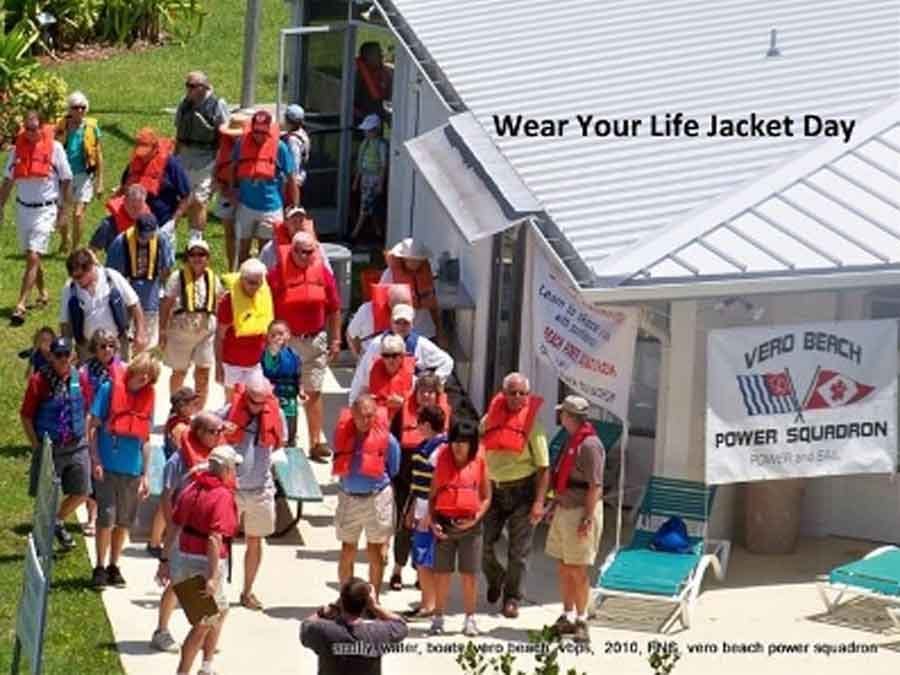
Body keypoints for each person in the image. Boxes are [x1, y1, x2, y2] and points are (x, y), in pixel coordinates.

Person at [160, 444, 241, 675]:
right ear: (225, 470)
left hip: (182, 560)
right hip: (203, 566)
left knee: (221, 611)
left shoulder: (192, 487)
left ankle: (206, 666)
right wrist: (212, 577)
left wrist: (165, 561)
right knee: (202, 624)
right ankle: (183, 672)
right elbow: (214, 539)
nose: (235, 471)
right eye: (234, 467)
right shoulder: (222, 496)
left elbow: (174, 525)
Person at [150, 412, 225, 655]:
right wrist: (170, 530)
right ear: (199, 432)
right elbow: (166, 495)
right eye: (214, 431)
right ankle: (161, 631)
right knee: (175, 583)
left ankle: (203, 638)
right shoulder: (177, 460)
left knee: (206, 588)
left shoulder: (216, 458)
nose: (218, 436)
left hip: (205, 531)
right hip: (182, 529)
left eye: (220, 431)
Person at [267, 230, 342, 463]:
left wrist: (335, 339)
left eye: (311, 251)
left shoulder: (323, 273)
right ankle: (286, 441)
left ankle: (315, 442)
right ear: (292, 250)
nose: (307, 256)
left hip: (315, 339)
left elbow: (334, 308)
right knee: (285, 394)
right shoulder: (277, 275)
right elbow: (266, 307)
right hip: (287, 343)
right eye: (302, 251)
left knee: (314, 391)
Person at [87, 352, 160, 589]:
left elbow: (146, 440)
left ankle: (113, 565)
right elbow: (92, 427)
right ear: (134, 370)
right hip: (107, 467)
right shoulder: (109, 389)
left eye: (150, 378)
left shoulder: (149, 396)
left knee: (124, 522)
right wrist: (95, 459)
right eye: (143, 375)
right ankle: (99, 566)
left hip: (132, 470)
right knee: (105, 519)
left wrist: (145, 475)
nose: (145, 381)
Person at [480, 372, 549, 619]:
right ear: (503, 393)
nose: (517, 397)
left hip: (523, 490)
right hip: (492, 491)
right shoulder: (489, 419)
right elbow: (477, 454)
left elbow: (543, 468)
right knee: (484, 545)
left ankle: (512, 597)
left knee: (518, 551)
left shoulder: (533, 426)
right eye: (512, 392)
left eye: (522, 393)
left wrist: (539, 503)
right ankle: (495, 577)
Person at [218, 374, 287, 610]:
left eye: (261, 402)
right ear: (246, 395)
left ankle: (247, 592)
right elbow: (207, 426)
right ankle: (217, 590)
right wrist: (221, 430)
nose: (257, 407)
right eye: (253, 401)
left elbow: (282, 440)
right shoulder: (230, 410)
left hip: (261, 489)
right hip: (232, 489)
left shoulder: (274, 413)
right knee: (220, 540)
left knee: (255, 541)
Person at [0, 110, 73, 325]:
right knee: (32, 256)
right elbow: (8, 181)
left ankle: (21, 304)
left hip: (45, 210)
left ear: (42, 128)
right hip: (23, 210)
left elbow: (67, 179)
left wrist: (64, 209)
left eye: (34, 129)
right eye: (27, 129)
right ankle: (43, 293)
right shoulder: (17, 151)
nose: (30, 133)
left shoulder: (56, 149)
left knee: (32, 255)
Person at [19, 337, 92, 551]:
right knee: (47, 496)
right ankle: (41, 543)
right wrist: (36, 445)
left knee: (82, 491)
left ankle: (57, 521)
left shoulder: (80, 377)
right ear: (50, 356)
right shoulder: (39, 380)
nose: (62, 359)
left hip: (77, 443)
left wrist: (85, 434)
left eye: (66, 354)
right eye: (58, 355)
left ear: (73, 355)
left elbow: (85, 406)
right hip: (52, 446)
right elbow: (26, 416)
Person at [546, 395, 604, 644]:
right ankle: (567, 614)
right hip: (564, 508)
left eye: (563, 413)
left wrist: (588, 518)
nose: (560, 416)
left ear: (570, 416)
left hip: (580, 510)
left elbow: (595, 486)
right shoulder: (572, 440)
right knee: (563, 566)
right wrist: (553, 504)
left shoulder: (590, 445)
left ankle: (581, 619)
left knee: (577, 568)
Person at [425, 419, 491, 636]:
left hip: (471, 528)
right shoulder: (441, 460)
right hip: (445, 525)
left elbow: (486, 497)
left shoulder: (479, 462)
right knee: (441, 574)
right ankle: (438, 618)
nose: (458, 446)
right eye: (455, 441)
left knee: (469, 575)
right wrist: (433, 522)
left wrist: (476, 519)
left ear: (472, 444)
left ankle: (470, 619)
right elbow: (433, 496)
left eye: (463, 441)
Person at [333, 395, 400, 598]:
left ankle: (373, 599)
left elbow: (394, 468)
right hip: (349, 497)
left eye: (370, 416)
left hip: (376, 497)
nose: (365, 420)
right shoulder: (342, 432)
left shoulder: (387, 439)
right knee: (347, 550)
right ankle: (346, 599)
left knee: (376, 551)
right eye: (361, 416)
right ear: (352, 414)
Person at [389, 374, 450, 591]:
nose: (425, 395)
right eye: (422, 390)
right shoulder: (403, 413)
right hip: (405, 481)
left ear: (437, 394)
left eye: (430, 391)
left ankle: (420, 573)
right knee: (404, 527)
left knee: (427, 530)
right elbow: (392, 443)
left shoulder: (444, 417)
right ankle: (397, 570)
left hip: (431, 488)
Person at [160, 238, 223, 408]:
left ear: (207, 257)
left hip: (205, 330)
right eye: (193, 254)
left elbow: (218, 303)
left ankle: (198, 409)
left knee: (203, 370)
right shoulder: (177, 277)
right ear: (187, 257)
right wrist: (163, 331)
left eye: (201, 254)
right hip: (181, 331)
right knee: (179, 371)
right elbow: (166, 303)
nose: (197, 258)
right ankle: (178, 408)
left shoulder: (213, 278)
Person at [300, 577, 408, 675]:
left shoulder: (323, 631)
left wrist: (323, 612)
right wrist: (375, 606)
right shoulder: (377, 633)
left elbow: (305, 626)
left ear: (341, 601)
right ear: (366, 604)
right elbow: (401, 625)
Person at [230, 110, 297, 265]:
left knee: (265, 253)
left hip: (270, 207)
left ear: (268, 129)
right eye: (256, 131)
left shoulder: (280, 147)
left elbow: (291, 177)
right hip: (246, 205)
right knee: (242, 250)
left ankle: (263, 286)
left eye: (262, 132)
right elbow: (234, 167)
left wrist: (294, 205)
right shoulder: (242, 143)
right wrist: (233, 191)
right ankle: (242, 283)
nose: (258, 135)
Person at [350, 304, 453, 403]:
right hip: (383, 398)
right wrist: (353, 401)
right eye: (397, 322)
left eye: (405, 323)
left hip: (409, 399)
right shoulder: (378, 343)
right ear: (391, 322)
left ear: (412, 324)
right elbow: (363, 375)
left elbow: (447, 362)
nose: (401, 326)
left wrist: (430, 384)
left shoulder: (420, 343)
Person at [400, 403, 448, 618]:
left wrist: (429, 515)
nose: (416, 428)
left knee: (425, 560)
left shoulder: (438, 451)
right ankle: (427, 603)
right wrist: (411, 510)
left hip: (430, 513)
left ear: (427, 425)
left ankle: (429, 605)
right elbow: (417, 484)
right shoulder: (432, 447)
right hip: (420, 509)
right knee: (423, 559)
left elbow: (440, 486)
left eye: (419, 424)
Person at [60, 248, 147, 361]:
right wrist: (67, 349)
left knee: (120, 377)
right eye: (74, 277)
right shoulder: (70, 287)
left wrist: (140, 332)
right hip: (87, 348)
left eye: (80, 277)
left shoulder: (111, 276)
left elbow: (134, 304)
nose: (77, 281)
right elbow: (65, 323)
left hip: (116, 344)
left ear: (91, 268)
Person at [106, 212, 175, 353]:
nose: (146, 240)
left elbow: (167, 267)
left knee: (147, 335)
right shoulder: (121, 242)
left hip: (151, 290)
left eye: (150, 236)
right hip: (127, 290)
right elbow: (111, 273)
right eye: (143, 236)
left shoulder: (162, 239)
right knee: (124, 331)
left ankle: (143, 360)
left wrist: (162, 287)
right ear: (136, 229)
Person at [174, 70, 229, 241]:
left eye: (191, 86)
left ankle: (195, 240)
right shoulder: (184, 104)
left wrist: (220, 165)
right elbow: (179, 134)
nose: (187, 90)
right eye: (187, 85)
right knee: (184, 197)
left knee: (199, 200)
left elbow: (224, 136)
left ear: (203, 87)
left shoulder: (217, 104)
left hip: (207, 158)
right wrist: (174, 158)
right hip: (185, 156)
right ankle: (178, 236)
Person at [147, 387, 201, 559]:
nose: (196, 406)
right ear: (182, 405)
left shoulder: (180, 421)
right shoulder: (179, 426)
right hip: (178, 471)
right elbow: (183, 449)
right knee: (167, 507)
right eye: (193, 403)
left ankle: (158, 541)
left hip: (177, 470)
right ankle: (154, 542)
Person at [117, 127, 191, 243]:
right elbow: (123, 189)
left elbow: (186, 196)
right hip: (136, 227)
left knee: (163, 260)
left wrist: (173, 223)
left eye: (146, 152)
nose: (143, 156)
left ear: (155, 148)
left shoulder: (171, 164)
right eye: (140, 151)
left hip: (162, 225)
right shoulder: (134, 163)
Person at [215, 258, 272, 400]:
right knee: (232, 404)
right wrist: (218, 366)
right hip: (232, 364)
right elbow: (219, 336)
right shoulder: (228, 302)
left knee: (256, 401)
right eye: (251, 283)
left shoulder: (264, 295)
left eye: (259, 282)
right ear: (242, 280)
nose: (255, 287)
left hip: (255, 363)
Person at [56, 91, 104, 254]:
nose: (80, 111)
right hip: (64, 176)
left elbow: (98, 155)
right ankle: (65, 239)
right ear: (69, 109)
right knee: (62, 212)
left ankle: (75, 248)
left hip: (84, 175)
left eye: (83, 107)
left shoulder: (91, 127)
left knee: (77, 215)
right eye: (76, 108)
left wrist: (99, 182)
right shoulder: (61, 126)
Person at [379, 238, 443, 341]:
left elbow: (432, 304)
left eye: (418, 259)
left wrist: (439, 330)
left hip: (425, 330)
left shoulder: (426, 273)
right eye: (411, 259)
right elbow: (380, 301)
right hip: (401, 330)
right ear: (403, 258)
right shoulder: (390, 274)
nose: (415, 263)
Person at [213, 113, 249, 272]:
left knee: (244, 235)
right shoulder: (224, 145)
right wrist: (222, 187)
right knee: (229, 233)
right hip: (225, 192)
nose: (234, 138)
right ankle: (231, 269)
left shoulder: (250, 147)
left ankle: (243, 269)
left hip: (245, 194)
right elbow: (217, 169)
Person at [260, 320, 305, 447]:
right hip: (274, 397)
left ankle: (290, 443)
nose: (277, 337)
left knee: (291, 425)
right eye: (273, 335)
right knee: (273, 425)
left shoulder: (293, 354)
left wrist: (301, 390)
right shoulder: (269, 354)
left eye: (280, 333)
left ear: (288, 335)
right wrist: (273, 349)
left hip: (290, 397)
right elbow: (269, 364)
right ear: (268, 338)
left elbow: (298, 374)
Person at [346, 283, 412, 358]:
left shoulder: (410, 312)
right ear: (389, 302)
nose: (402, 310)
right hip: (372, 359)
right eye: (398, 306)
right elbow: (351, 335)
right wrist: (359, 358)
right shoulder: (366, 310)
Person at [258, 205, 330, 272]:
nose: (298, 225)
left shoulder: (317, 246)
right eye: (294, 221)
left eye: (301, 221)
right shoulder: (270, 249)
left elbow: (328, 273)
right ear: (286, 223)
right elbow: (261, 276)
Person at [350, 114, 388, 240]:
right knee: (369, 205)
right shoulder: (365, 144)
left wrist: (380, 184)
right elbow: (361, 163)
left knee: (365, 205)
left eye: (369, 130)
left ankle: (354, 234)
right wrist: (356, 180)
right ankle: (378, 232)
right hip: (365, 178)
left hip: (375, 179)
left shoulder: (381, 145)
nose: (366, 132)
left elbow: (383, 165)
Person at [89, 184, 151, 255]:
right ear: (124, 201)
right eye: (133, 207)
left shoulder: (147, 222)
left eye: (139, 208)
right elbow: (92, 250)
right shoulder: (108, 225)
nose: (136, 211)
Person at [354, 41, 393, 123]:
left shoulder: (385, 71)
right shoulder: (357, 75)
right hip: (364, 120)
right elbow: (350, 103)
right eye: (378, 53)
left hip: (380, 113)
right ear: (368, 56)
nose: (381, 56)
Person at [282, 104, 310, 203]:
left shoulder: (292, 140)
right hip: (299, 178)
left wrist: (290, 183)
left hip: (291, 183)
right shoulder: (302, 134)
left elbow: (295, 163)